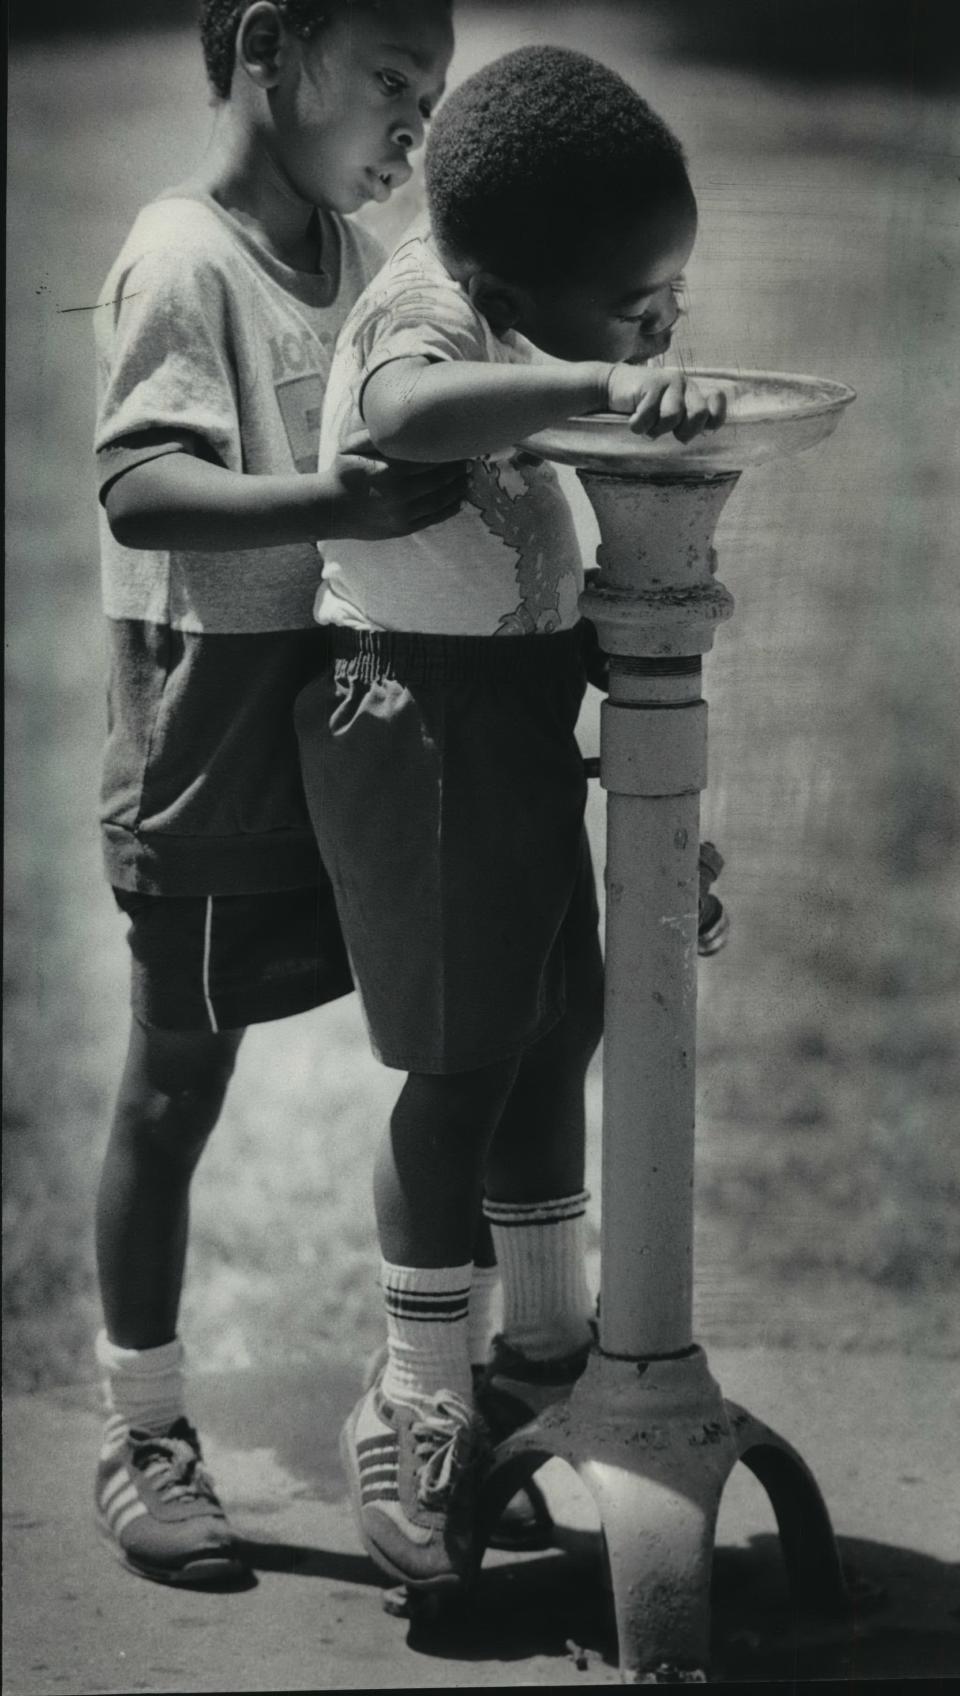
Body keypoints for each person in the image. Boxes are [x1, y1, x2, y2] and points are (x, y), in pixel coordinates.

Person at [295, 43, 727, 1595]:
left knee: (560, 1023)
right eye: (636, 299)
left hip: (520, 707)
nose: (662, 324)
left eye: (669, 290)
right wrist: (601, 379)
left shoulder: (507, 291)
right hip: (416, 722)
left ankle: (541, 1356)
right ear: (499, 276)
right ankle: (415, 1393)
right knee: (461, 1062)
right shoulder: (424, 308)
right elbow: (407, 413)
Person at [91, 0, 460, 1586]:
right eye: (392, 83)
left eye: (431, 99)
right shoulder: (184, 254)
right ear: (269, 46)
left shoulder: (363, 262)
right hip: (214, 743)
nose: (413, 131)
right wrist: (333, 496)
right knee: (178, 1084)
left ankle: (432, 1395)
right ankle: (144, 1425)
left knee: (461, 1041)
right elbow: (143, 483)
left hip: (349, 732)